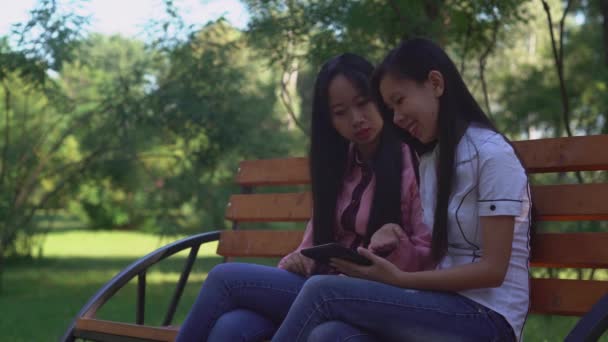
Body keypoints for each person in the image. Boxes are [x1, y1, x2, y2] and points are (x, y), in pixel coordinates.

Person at [271, 38, 531, 342]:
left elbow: (493, 271)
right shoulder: (432, 160)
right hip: (444, 304)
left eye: (399, 101)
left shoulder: (492, 156)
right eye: (390, 108)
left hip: (490, 320)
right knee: (331, 335)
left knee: (322, 291)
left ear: (435, 83)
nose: (395, 118)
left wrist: (402, 279)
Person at [175, 53, 434, 342]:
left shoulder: (414, 163)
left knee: (224, 279)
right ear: (329, 120)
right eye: (340, 112)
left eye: (363, 103)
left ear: (382, 98)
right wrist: (297, 259)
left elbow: (429, 258)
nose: (357, 119)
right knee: (233, 326)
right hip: (319, 288)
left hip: (373, 297)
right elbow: (312, 244)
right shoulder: (338, 165)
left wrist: (396, 244)